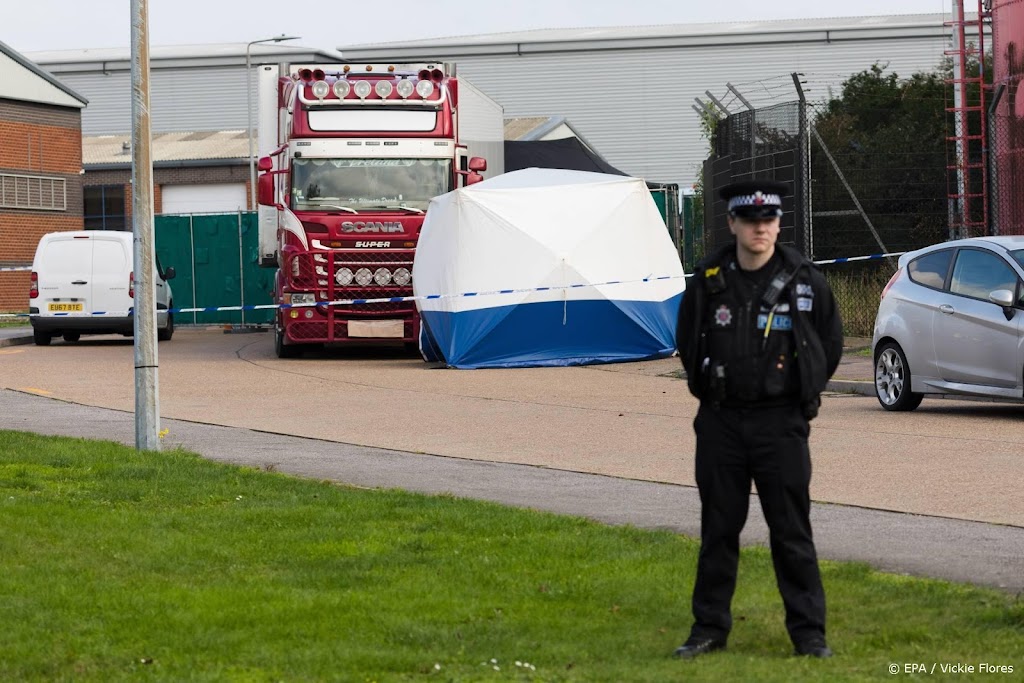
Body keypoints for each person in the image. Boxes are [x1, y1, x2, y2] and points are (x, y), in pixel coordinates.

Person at [674, 179, 844, 659]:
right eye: (750, 221)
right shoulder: (710, 277)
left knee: (791, 530)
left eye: (768, 220)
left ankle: (809, 635)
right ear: (733, 223)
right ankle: (708, 629)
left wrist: (802, 388)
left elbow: (829, 344)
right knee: (719, 530)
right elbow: (689, 342)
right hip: (722, 423)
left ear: (778, 223)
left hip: (781, 423)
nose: (760, 229)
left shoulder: (805, 279)